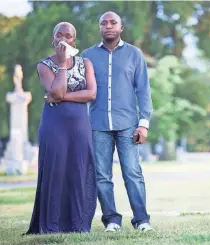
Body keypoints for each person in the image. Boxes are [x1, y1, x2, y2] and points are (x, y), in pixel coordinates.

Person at [81, 11, 153, 232]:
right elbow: (80, 89)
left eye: (113, 23)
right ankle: (111, 220)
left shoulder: (134, 54)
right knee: (102, 176)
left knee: (132, 173)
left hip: (128, 125)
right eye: (104, 23)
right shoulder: (87, 56)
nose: (108, 26)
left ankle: (142, 220)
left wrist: (143, 123)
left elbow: (143, 90)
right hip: (97, 125)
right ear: (99, 28)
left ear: (121, 28)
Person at [25, 22, 97, 234]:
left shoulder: (86, 63)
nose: (64, 39)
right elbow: (55, 92)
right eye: (59, 35)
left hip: (80, 126)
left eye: (69, 36)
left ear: (75, 40)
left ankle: (79, 224)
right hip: (54, 126)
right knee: (55, 171)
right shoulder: (44, 65)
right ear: (53, 39)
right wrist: (63, 65)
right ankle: (52, 225)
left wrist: (62, 97)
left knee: (79, 170)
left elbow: (91, 94)